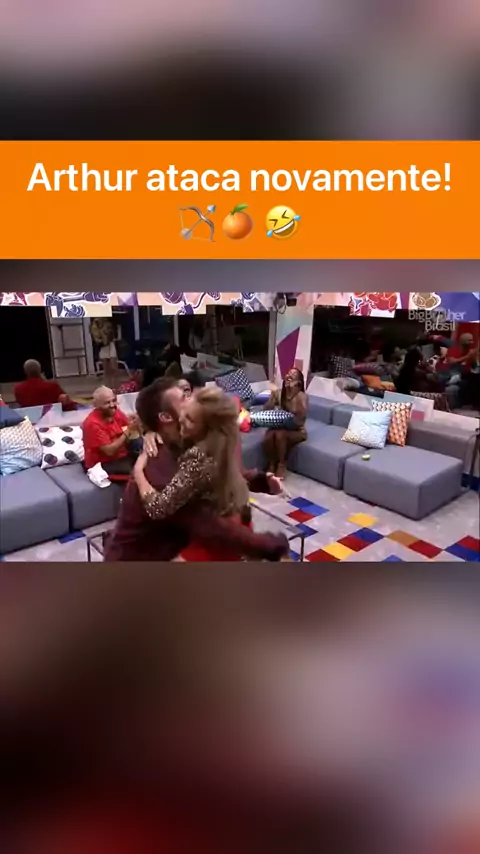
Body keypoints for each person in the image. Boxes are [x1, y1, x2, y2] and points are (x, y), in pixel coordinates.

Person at [104, 378, 288, 562]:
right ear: (166, 417)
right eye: (184, 398)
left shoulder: (187, 442)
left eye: (188, 393)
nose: (192, 400)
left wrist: (259, 480)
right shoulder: (160, 464)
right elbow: (211, 526)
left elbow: (215, 472)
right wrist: (270, 545)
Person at [82, 386, 141, 478]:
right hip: (103, 463)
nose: (112, 405)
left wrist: (136, 421)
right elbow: (109, 451)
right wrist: (128, 430)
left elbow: (129, 426)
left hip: (123, 455)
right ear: (96, 405)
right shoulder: (92, 424)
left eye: (114, 400)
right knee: (138, 474)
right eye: (107, 402)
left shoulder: (114, 411)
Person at [262, 368, 308, 480]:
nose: (289, 375)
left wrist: (291, 393)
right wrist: (272, 398)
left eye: (293, 375)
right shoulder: (278, 393)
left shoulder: (302, 396)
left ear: (299, 382)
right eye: (288, 373)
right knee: (269, 435)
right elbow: (266, 409)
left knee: (280, 434)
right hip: (279, 426)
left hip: (297, 431)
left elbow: (300, 418)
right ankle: (272, 464)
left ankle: (281, 465)